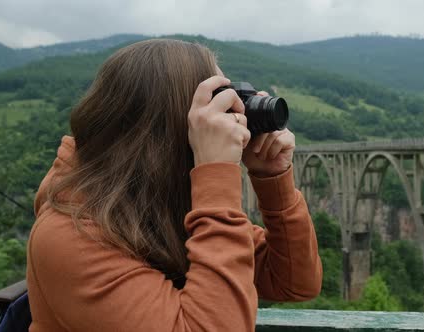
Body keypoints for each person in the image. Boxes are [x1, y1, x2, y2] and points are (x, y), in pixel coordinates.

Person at [26, 38, 322, 332]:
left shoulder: (163, 204)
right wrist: (216, 172)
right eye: (218, 103)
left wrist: (272, 179)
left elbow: (295, 282)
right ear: (175, 123)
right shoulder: (69, 236)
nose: (234, 117)